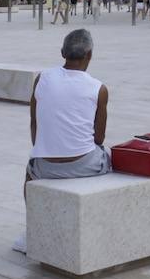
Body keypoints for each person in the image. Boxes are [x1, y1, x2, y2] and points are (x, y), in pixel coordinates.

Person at [14, 28, 111, 253]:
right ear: (90, 55)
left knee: (28, 173)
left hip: (44, 166)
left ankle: (33, 231)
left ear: (62, 52)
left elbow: (34, 123)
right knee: (107, 155)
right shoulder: (99, 89)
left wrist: (46, 150)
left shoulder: (42, 79)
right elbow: (99, 137)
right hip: (84, 164)